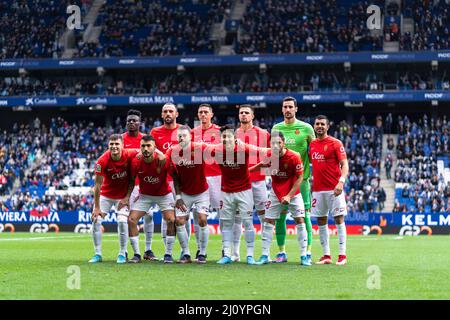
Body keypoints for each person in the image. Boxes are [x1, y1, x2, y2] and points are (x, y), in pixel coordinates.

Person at [250, 131, 310, 266]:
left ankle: (303, 256)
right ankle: (265, 255)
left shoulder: (294, 156)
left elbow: (300, 177)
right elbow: (262, 165)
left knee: (300, 220)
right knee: (268, 221)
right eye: (272, 143)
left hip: (293, 194)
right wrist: (247, 171)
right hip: (275, 193)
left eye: (278, 143)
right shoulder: (270, 155)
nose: (275, 145)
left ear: (283, 143)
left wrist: (289, 195)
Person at [271, 96, 315, 264]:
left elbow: (314, 150)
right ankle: (281, 253)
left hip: (301, 181)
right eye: (285, 107)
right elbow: (273, 154)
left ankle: (308, 252)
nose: (288, 110)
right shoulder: (276, 127)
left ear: (296, 109)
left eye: (290, 107)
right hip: (281, 182)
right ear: (282, 109)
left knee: (305, 217)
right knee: (280, 217)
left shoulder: (306, 128)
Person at [207, 125, 257, 265]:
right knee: (227, 223)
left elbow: (262, 151)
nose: (226, 139)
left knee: (247, 222)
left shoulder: (244, 149)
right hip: (226, 192)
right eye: (223, 136)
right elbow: (199, 146)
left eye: (229, 136)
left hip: (245, 191)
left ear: (235, 138)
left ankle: (250, 255)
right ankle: (227, 255)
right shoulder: (217, 150)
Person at [126, 135, 177, 264]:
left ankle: (168, 254)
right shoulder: (136, 162)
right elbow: (131, 181)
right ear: (140, 147)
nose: (146, 149)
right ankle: (137, 254)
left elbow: (176, 177)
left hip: (164, 194)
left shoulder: (162, 160)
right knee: (131, 219)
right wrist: (127, 197)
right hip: (145, 195)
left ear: (155, 147)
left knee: (171, 219)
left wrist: (179, 197)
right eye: (143, 146)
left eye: (149, 146)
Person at [89, 134, 138, 264]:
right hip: (106, 195)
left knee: (122, 221)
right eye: (111, 144)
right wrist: (97, 207)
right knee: (96, 220)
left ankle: (122, 253)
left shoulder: (130, 153)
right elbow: (97, 185)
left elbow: (148, 151)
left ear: (122, 145)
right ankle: (97, 254)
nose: (114, 146)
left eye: (117, 144)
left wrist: (127, 197)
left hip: (122, 196)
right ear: (108, 145)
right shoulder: (102, 161)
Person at [150, 103, 190, 257]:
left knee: (182, 216)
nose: (168, 114)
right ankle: (168, 252)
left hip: (182, 180)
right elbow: (152, 151)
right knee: (167, 216)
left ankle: (184, 251)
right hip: (164, 180)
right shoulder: (155, 132)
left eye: (170, 111)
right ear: (161, 115)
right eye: (165, 111)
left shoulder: (184, 131)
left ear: (176, 114)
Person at [167, 125, 210, 263]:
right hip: (184, 193)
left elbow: (217, 150)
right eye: (179, 136)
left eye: (184, 135)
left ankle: (202, 253)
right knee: (179, 221)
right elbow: (173, 175)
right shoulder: (173, 152)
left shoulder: (200, 148)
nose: (181, 138)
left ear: (190, 137)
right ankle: (186, 254)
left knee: (202, 219)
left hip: (202, 192)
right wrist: (178, 197)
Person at [232, 104, 270, 262]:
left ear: (252, 116)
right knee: (237, 217)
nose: (244, 115)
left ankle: (265, 253)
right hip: (239, 182)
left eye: (247, 113)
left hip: (258, 181)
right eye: (241, 113)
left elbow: (270, 156)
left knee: (264, 216)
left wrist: (260, 169)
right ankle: (234, 254)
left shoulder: (263, 134)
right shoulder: (234, 133)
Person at [309, 115, 349, 265]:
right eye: (317, 123)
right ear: (314, 126)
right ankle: (326, 255)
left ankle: (342, 255)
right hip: (318, 190)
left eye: (322, 124)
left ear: (327, 126)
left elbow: (344, 164)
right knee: (321, 220)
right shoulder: (312, 144)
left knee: (339, 218)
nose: (319, 126)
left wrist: (341, 182)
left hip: (334, 189)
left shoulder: (335, 143)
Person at [123, 109, 157, 261]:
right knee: (129, 218)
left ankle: (148, 250)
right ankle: (129, 251)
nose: (131, 122)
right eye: (129, 120)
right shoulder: (120, 140)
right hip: (127, 185)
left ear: (140, 123)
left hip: (144, 184)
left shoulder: (146, 139)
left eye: (134, 120)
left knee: (149, 215)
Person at [191, 104, 221, 260]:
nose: (203, 115)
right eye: (200, 112)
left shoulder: (220, 131)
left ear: (211, 114)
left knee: (224, 213)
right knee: (198, 215)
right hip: (198, 177)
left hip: (217, 177)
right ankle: (200, 249)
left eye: (205, 112)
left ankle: (226, 249)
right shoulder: (191, 133)